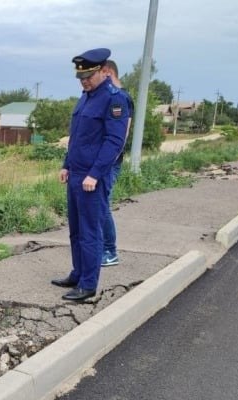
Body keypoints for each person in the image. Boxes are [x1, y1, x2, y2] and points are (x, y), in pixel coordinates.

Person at [51, 48, 130, 302]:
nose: (84, 82)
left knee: (90, 231)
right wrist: (66, 165)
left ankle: (88, 285)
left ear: (103, 71)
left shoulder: (114, 99)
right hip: (76, 174)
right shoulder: (85, 97)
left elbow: (114, 141)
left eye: (89, 77)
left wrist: (95, 174)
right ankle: (78, 273)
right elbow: (77, 137)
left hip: (92, 179)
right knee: (75, 229)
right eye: (81, 78)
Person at [99, 59, 134, 267]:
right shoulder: (106, 97)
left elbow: (121, 136)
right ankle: (100, 247)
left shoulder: (122, 99)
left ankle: (110, 251)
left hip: (109, 163)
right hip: (100, 162)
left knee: (102, 206)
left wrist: (106, 162)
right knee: (98, 206)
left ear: (108, 72)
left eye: (97, 73)